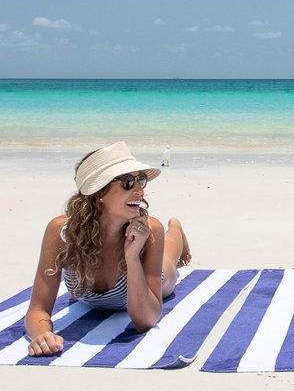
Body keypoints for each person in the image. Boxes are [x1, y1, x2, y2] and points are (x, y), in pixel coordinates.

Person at [23, 142, 192, 356]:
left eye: (141, 180)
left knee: (169, 261)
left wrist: (132, 257)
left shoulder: (148, 232)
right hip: (90, 298)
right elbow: (37, 309)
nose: (139, 190)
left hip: (155, 279)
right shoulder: (62, 233)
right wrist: (41, 334)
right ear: (99, 192)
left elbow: (147, 320)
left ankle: (176, 228)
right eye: (128, 182)